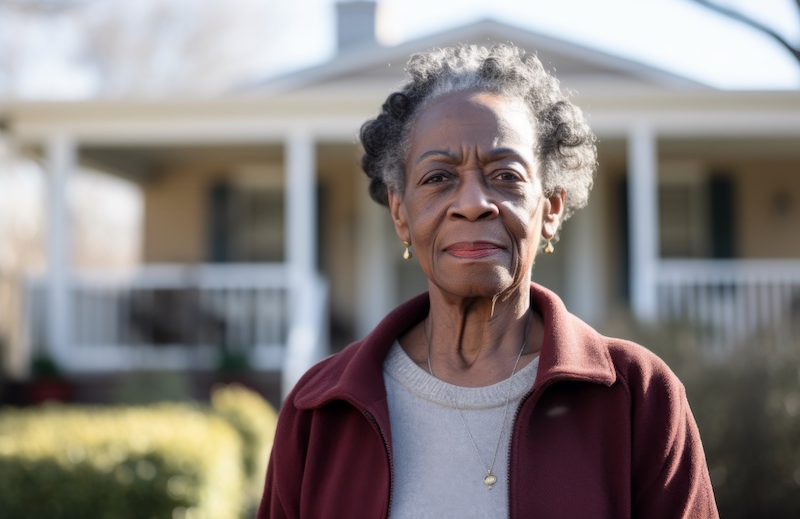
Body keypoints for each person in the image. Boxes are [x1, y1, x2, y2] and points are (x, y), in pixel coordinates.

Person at [258, 44, 718, 518]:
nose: (474, 202)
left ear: (551, 208)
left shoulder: (638, 398)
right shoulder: (318, 412)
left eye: (505, 175)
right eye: (438, 177)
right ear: (400, 212)